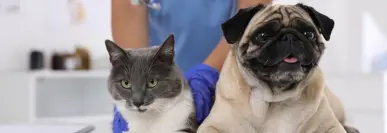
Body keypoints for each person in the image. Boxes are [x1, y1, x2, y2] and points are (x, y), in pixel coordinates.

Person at [111, 0, 273, 132]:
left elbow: (253, 17)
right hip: (158, 92)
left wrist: (206, 75)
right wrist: (133, 85)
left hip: (231, 82)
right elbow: (129, 11)